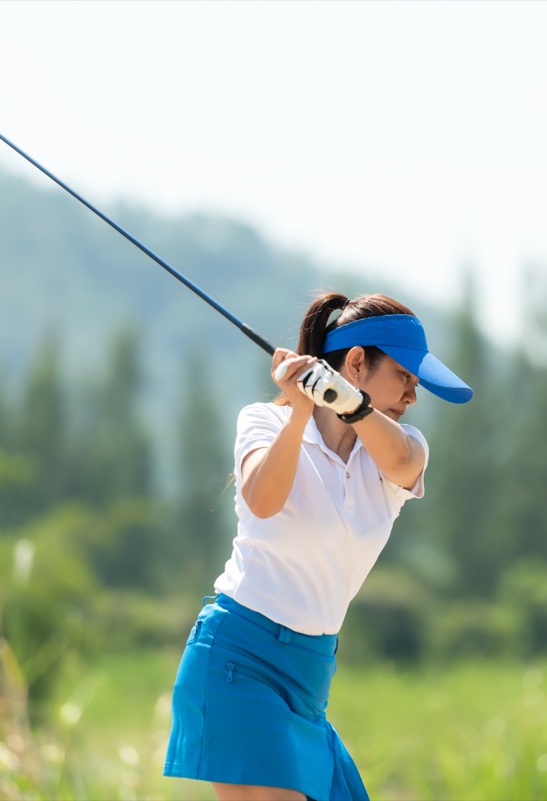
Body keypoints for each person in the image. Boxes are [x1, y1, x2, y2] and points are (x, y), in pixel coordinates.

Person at [162, 291, 473, 801]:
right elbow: (263, 498)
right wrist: (301, 411)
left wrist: (349, 404)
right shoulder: (263, 422)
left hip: (309, 679)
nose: (413, 396)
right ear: (356, 362)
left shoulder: (400, 449)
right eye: (406, 377)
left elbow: (402, 461)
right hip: (239, 660)